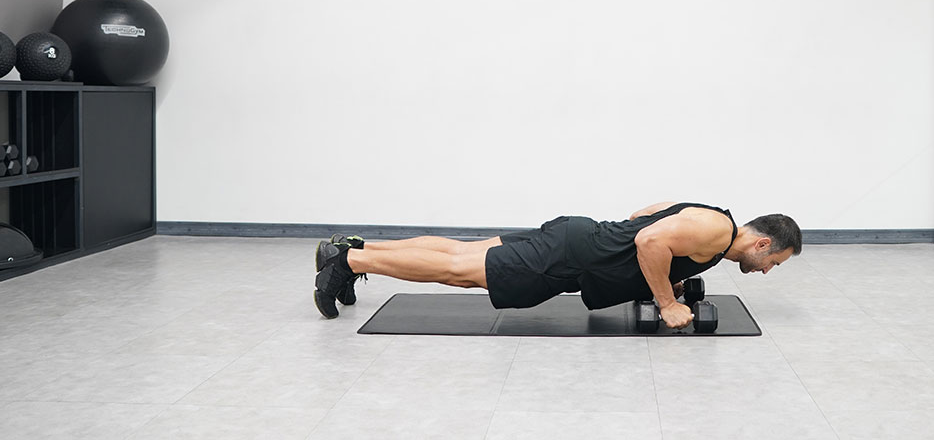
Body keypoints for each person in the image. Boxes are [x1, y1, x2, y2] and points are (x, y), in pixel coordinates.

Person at [313, 201, 802, 328]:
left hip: (577, 237)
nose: (767, 270)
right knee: (457, 271)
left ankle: (351, 250)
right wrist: (666, 301)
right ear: (763, 243)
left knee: (461, 253)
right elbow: (650, 239)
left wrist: (656, 274)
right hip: (569, 258)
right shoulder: (717, 233)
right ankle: (348, 261)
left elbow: (644, 216)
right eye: (774, 262)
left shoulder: (713, 218)